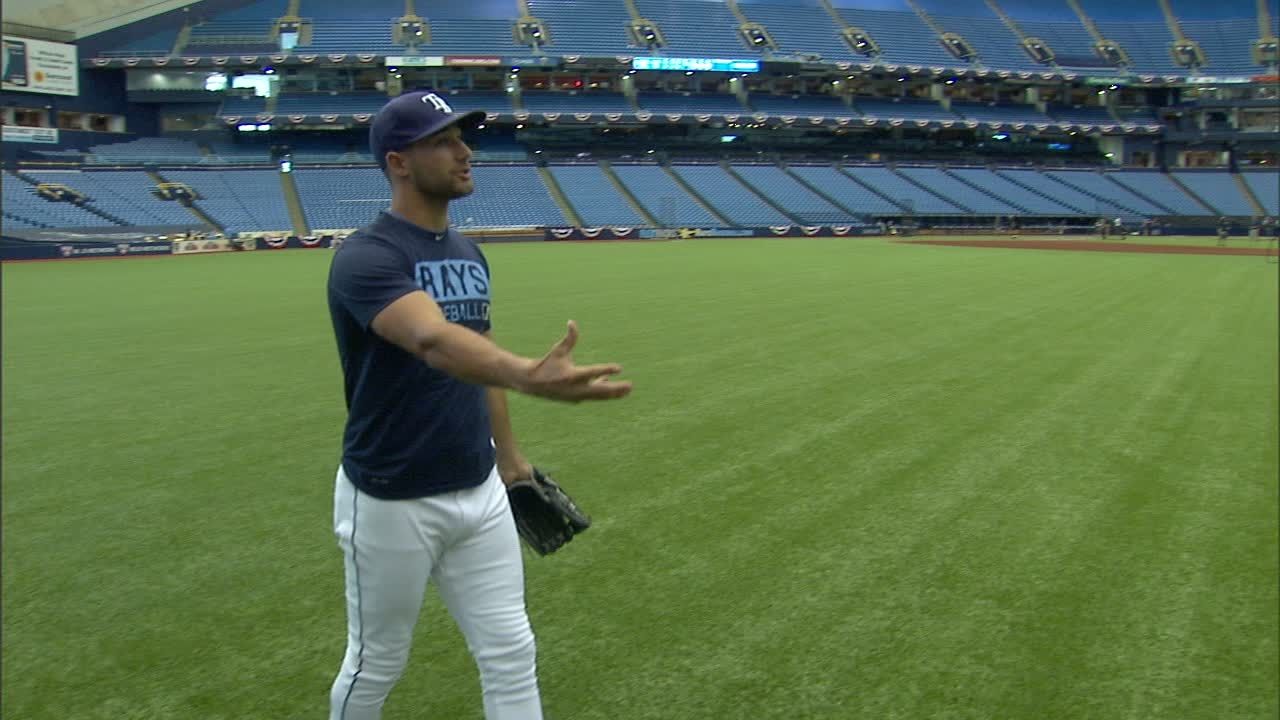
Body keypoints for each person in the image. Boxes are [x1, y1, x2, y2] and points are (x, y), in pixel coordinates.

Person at [325, 89, 633, 720]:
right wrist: (529, 374)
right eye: (442, 140)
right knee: (376, 662)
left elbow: (477, 352)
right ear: (398, 163)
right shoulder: (368, 256)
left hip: (479, 487)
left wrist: (511, 459)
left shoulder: (468, 252)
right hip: (391, 495)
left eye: (463, 137)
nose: (465, 152)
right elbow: (431, 339)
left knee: (511, 649)